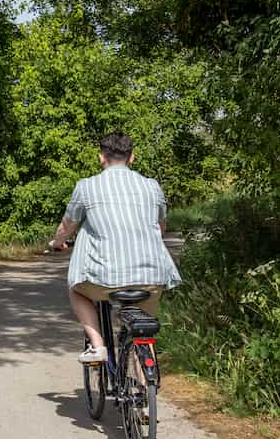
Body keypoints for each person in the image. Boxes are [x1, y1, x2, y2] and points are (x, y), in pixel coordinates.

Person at [47, 131, 181, 363]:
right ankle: (145, 379)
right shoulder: (152, 186)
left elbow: (67, 226)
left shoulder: (87, 187)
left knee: (75, 288)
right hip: (152, 276)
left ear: (101, 157)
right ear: (132, 158)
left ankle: (98, 346)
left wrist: (56, 243)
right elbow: (161, 226)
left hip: (104, 279)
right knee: (141, 329)